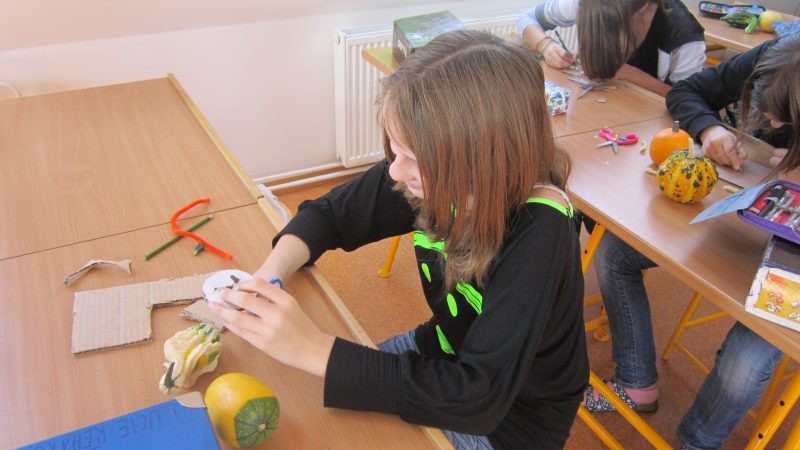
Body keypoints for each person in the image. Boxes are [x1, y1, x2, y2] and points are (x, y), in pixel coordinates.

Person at [208, 30, 589, 450]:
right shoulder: (433, 173)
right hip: (440, 353)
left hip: (505, 422)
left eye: (413, 157)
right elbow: (330, 214)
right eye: (395, 146)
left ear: (478, 160)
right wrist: (269, 275)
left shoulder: (540, 233)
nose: (394, 170)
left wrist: (311, 348)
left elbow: (476, 399)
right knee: (301, 408)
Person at [588, 33, 800, 450]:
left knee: (745, 361)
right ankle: (636, 382)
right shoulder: (778, 57)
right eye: (768, 111)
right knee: (616, 253)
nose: (774, 126)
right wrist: (710, 128)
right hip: (752, 218)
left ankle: (697, 443)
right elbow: (686, 91)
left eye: (787, 120)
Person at [517, 0, 706, 96]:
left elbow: (692, 100)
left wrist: (631, 75)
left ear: (645, 13)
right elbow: (527, 19)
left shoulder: (685, 39)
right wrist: (545, 45)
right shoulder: (585, 3)